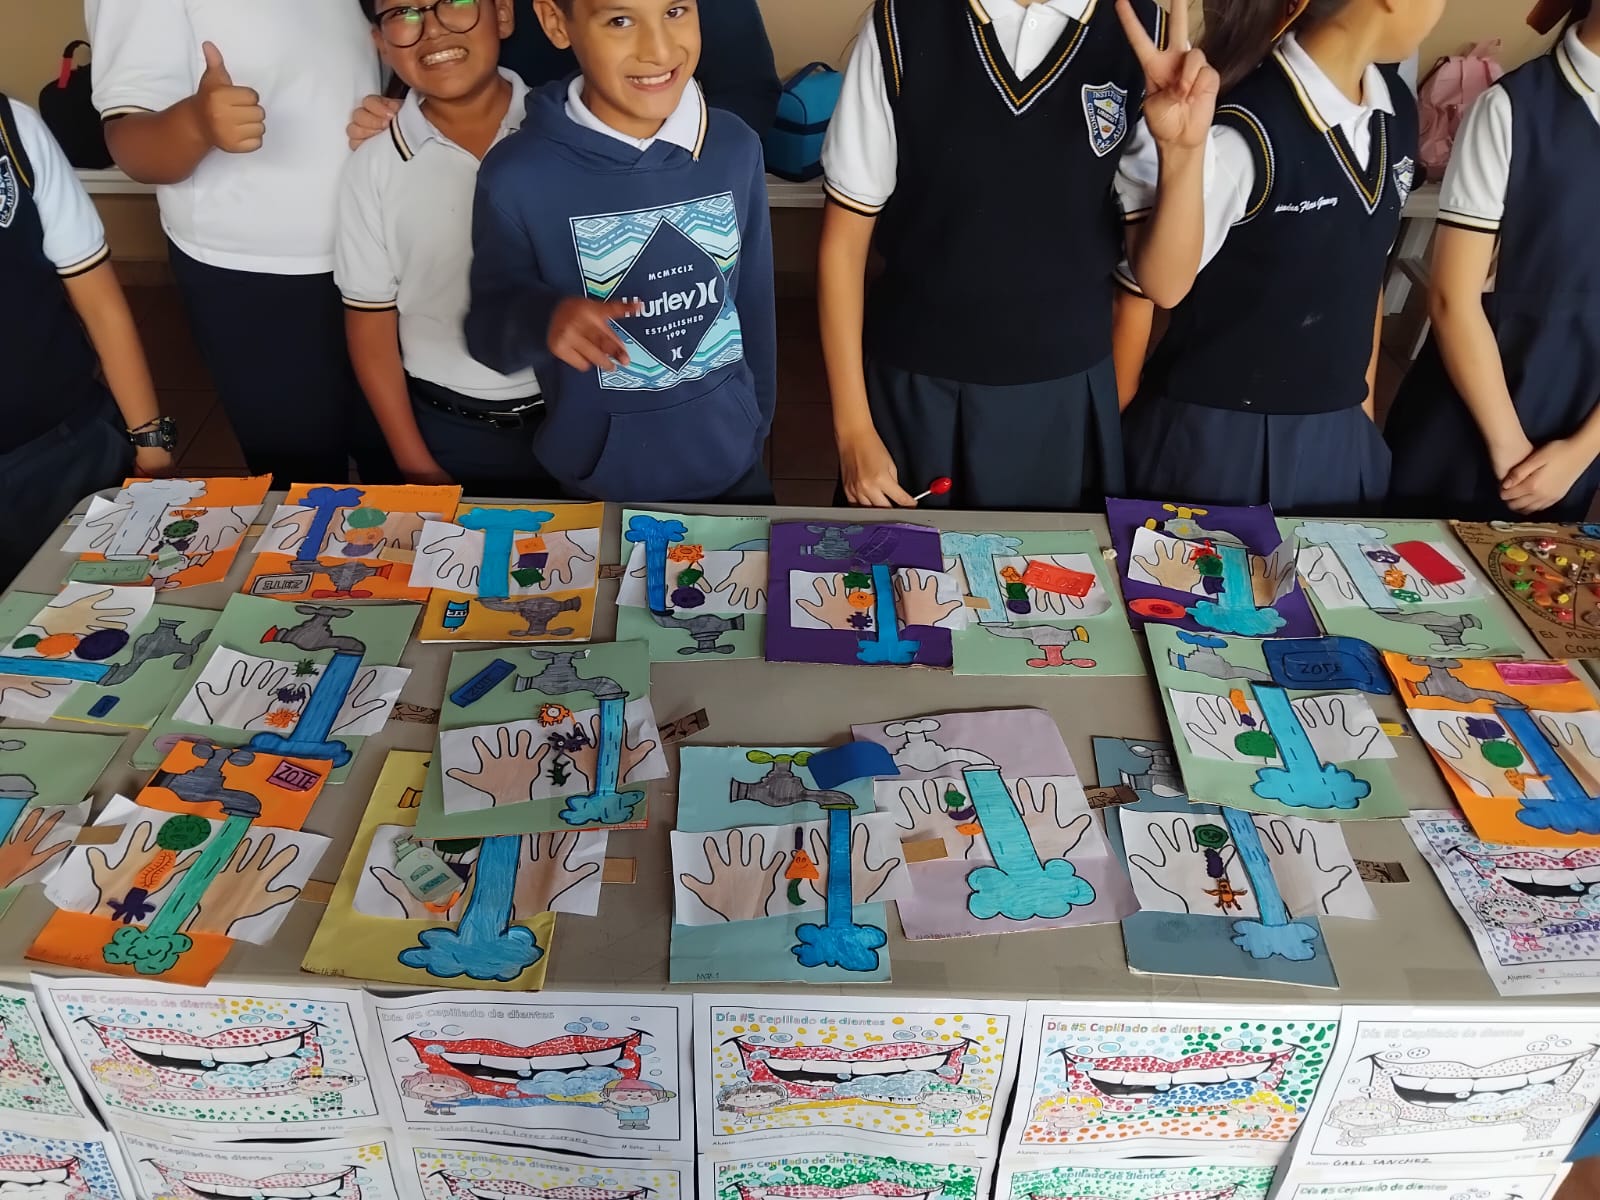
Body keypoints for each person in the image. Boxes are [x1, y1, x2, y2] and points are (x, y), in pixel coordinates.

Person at [819, 0, 1216, 512]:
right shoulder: (903, 23)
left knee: (1050, 563)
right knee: (905, 560)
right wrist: (853, 429)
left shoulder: (1147, 38)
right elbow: (843, 245)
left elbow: (1166, 285)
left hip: (1063, 394)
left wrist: (1183, 152)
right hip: (915, 387)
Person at [1116, 0, 1437, 514]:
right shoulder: (1240, 122)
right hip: (1217, 442)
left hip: (1340, 433)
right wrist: (1181, 153)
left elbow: (1364, 276)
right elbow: (1163, 285)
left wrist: (1362, 410)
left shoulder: (1393, 106)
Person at [463, 0, 777, 503]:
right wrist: (544, 319)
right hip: (598, 483)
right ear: (556, 23)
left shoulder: (735, 147)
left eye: (675, 11)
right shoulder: (517, 176)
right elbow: (488, 335)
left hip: (735, 467)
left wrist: (754, 423)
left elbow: (755, 306)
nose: (659, 50)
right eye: (620, 20)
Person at [88, 0, 396, 486]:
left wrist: (390, 111)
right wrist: (196, 124)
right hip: (256, 273)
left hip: (380, 250)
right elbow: (129, 140)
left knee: (397, 461)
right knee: (303, 479)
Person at [1386, 0, 1600, 522]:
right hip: (1475, 417)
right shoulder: (1511, 107)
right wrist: (1509, 449)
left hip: (1577, 430)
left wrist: (1581, 451)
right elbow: (1450, 300)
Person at [340, 0, 562, 497]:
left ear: (502, 14)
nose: (433, 28)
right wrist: (416, 464)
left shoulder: (567, 130)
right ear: (381, 44)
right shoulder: (374, 165)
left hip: (579, 416)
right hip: (452, 430)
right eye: (403, 13)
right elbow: (370, 324)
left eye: (457, 2)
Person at [0, 92, 171, 587]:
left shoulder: (13, 128)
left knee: (104, 604)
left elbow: (100, 304)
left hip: (61, 448)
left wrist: (152, 444)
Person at [346, 0, 781, 147]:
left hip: (658, 196)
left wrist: (662, 171)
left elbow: (748, 92)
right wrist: (406, 116)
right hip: (499, 199)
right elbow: (427, 43)